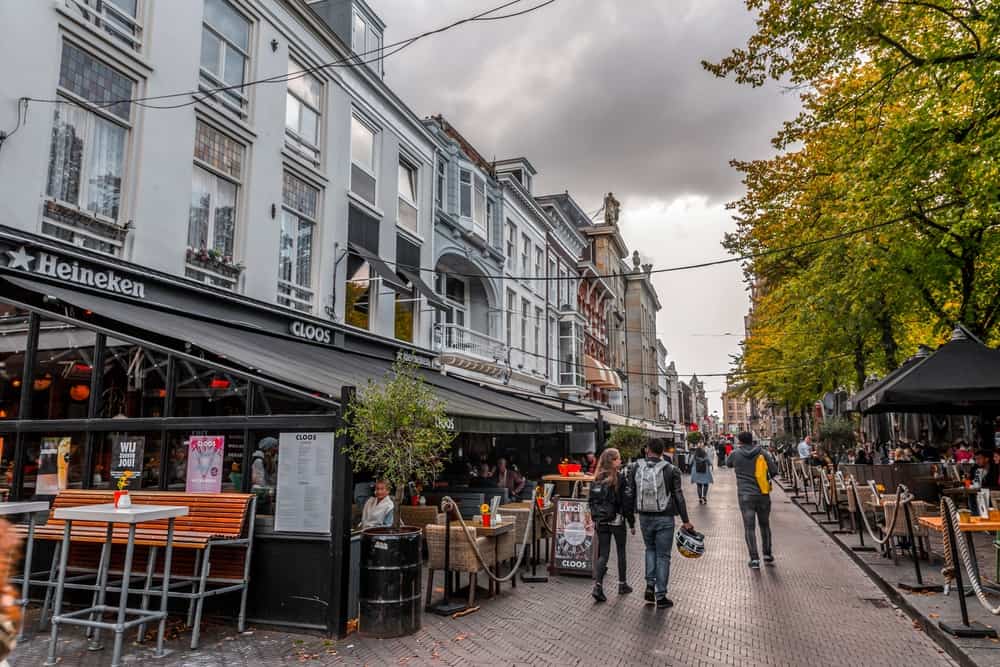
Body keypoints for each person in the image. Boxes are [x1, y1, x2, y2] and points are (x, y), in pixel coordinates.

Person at [626, 438, 693, 609]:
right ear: (662, 451)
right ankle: (661, 595)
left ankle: (649, 584)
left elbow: (630, 493)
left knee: (650, 549)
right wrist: (686, 521)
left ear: (647, 449)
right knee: (663, 555)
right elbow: (678, 496)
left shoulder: (635, 467)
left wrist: (631, 519)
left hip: (644, 516)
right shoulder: (671, 469)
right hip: (664, 516)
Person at [588, 448, 635, 602]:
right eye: (618, 459)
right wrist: (631, 521)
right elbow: (626, 503)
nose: (620, 461)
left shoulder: (596, 478)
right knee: (621, 551)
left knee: (603, 554)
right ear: (612, 461)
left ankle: (598, 586)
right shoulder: (619, 478)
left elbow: (591, 501)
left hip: (601, 520)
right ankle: (622, 585)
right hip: (616, 520)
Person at [727, 431, 779, 569]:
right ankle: (767, 554)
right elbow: (774, 470)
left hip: (745, 495)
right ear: (752, 440)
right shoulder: (762, 452)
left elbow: (728, 464)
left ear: (740, 441)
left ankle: (754, 559)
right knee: (765, 524)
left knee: (749, 527)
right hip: (762, 494)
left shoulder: (735, 453)